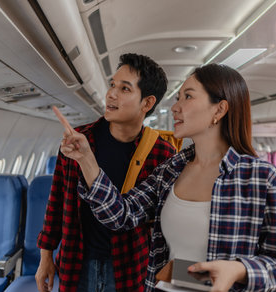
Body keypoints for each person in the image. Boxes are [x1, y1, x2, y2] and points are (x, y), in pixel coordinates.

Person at [55, 64, 276, 292]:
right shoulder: (171, 169)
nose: (175, 107)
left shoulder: (265, 180)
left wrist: (239, 269)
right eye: (178, 97)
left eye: (188, 96)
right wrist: (86, 159)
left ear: (219, 109)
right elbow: (121, 215)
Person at [35, 53, 176, 292]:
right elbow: (56, 200)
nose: (111, 94)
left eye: (124, 89)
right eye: (112, 85)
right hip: (76, 261)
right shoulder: (80, 138)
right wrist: (45, 256)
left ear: (147, 103)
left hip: (129, 266)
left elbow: (162, 223)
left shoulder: (162, 154)